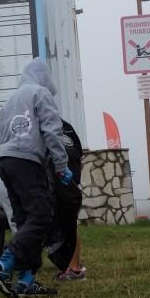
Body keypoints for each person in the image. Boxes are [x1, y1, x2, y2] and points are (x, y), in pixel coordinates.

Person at [0, 60, 70, 298]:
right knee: (41, 216)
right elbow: (52, 130)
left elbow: (2, 134)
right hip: (27, 161)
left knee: (23, 221)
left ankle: (26, 280)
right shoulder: (40, 93)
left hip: (6, 161)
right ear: (43, 76)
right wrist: (61, 165)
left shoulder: (10, 100)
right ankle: (1, 267)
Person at [50, 119, 86, 281]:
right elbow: (79, 154)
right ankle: (72, 265)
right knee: (70, 222)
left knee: (64, 224)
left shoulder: (42, 124)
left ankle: (74, 269)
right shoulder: (67, 126)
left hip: (59, 178)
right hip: (72, 178)